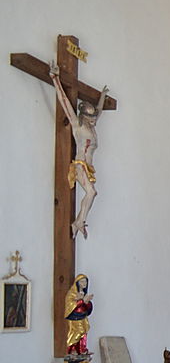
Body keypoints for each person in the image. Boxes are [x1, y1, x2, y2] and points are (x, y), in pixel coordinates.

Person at [49, 62, 108, 239]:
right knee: (91, 192)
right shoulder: (78, 126)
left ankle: (79, 222)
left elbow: (99, 111)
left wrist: (102, 96)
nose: (94, 119)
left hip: (88, 168)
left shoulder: (92, 126)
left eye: (94, 116)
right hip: (80, 165)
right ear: (84, 116)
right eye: (90, 117)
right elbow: (64, 101)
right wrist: (55, 78)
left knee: (92, 193)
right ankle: (78, 222)